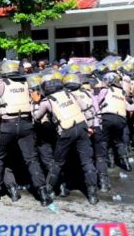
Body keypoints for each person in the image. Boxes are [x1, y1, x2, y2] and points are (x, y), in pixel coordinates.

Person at [0, 60, 50, 205]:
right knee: (32, 159)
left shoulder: (0, 83)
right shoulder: (26, 82)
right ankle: (43, 194)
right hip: (26, 124)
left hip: (8, 125)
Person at [33, 75, 99, 205]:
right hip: (81, 127)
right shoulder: (70, 94)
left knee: (58, 163)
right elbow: (86, 108)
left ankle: (49, 191)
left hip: (66, 131)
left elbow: (37, 117)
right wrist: (91, 126)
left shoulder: (47, 101)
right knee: (87, 162)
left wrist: (36, 103)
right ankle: (93, 195)